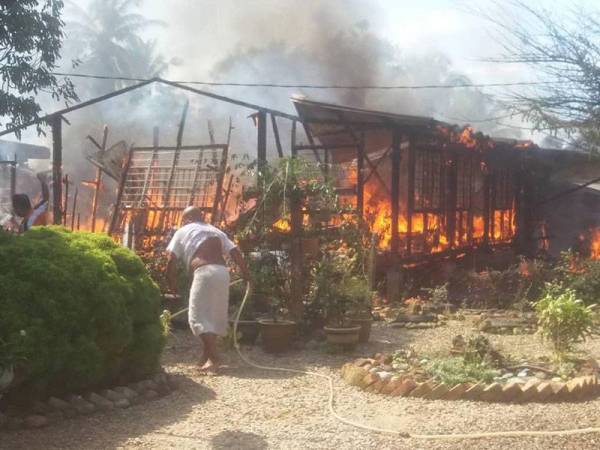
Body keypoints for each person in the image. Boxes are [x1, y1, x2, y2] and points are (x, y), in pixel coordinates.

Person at [165, 206, 249, 373]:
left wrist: (171, 283)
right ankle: (206, 357)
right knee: (214, 316)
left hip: (204, 272)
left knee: (196, 317)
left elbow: (170, 259)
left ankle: (215, 357)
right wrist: (246, 274)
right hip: (222, 273)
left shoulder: (184, 230)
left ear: (186, 219)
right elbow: (235, 252)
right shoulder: (215, 230)